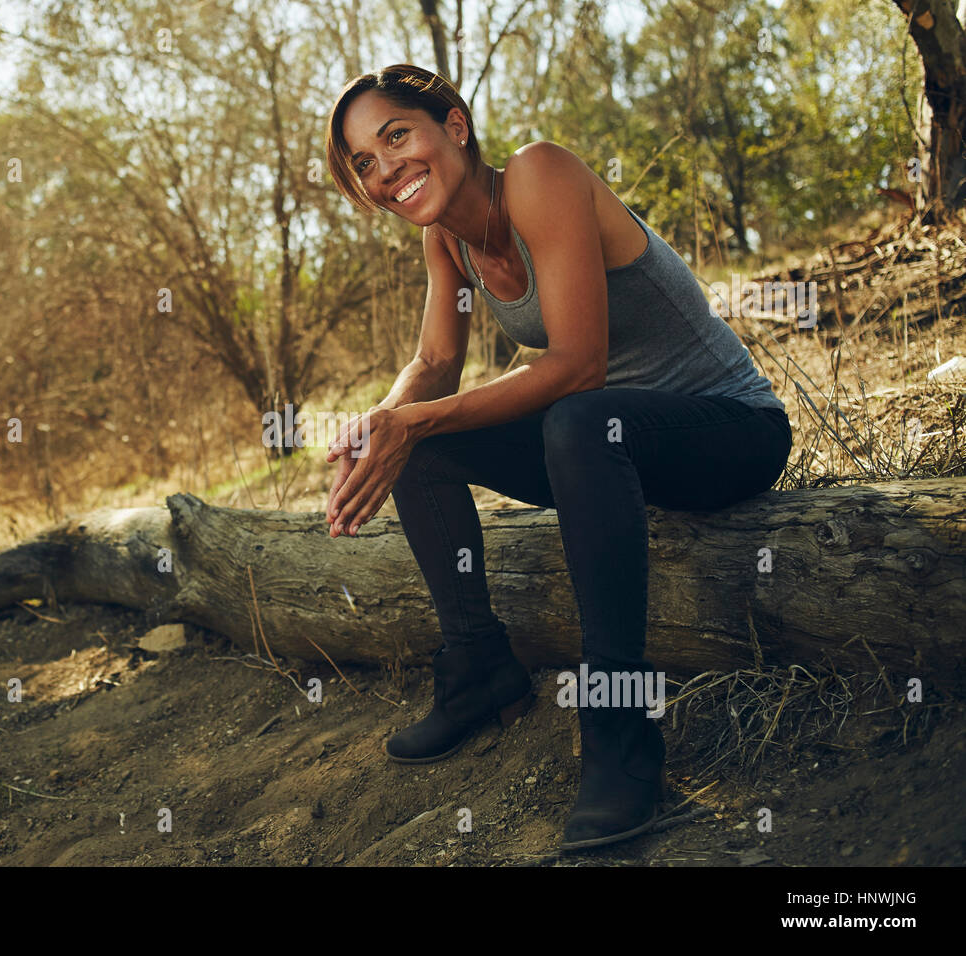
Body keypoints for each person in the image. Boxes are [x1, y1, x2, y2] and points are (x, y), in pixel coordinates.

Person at [321, 64, 792, 851]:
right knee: (423, 445)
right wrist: (383, 421)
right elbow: (434, 362)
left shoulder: (541, 174)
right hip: (609, 448)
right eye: (365, 162)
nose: (384, 169)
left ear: (456, 128)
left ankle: (620, 736)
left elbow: (579, 365)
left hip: (729, 433)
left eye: (396, 136)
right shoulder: (449, 241)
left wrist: (415, 418)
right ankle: (479, 670)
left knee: (574, 418)